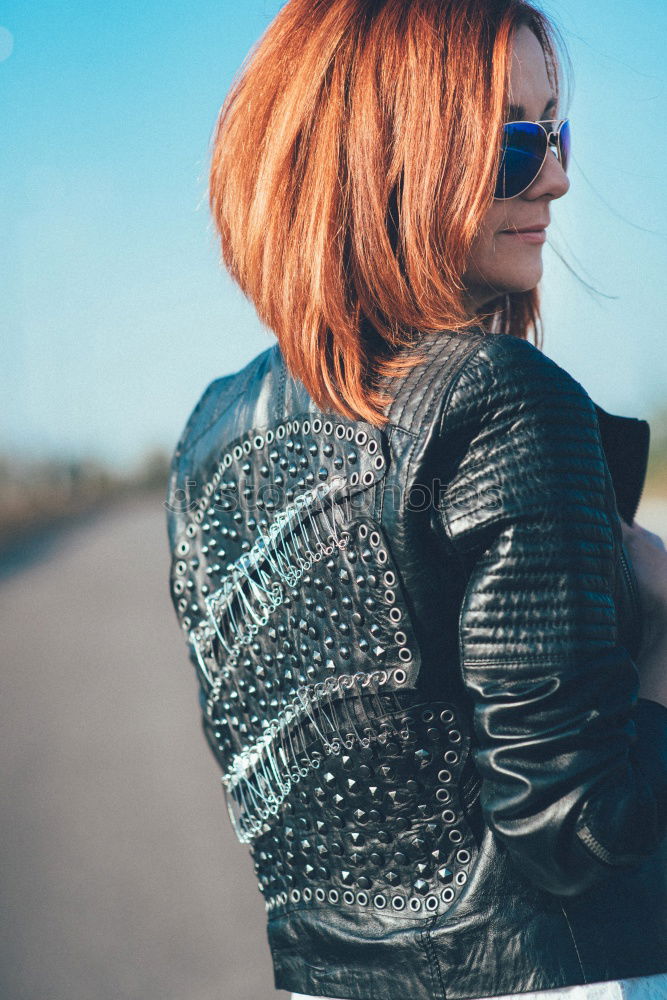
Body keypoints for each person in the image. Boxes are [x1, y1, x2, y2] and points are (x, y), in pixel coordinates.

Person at [164, 2, 667, 998]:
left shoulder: (210, 436)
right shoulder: (504, 397)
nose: (558, 176)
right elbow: (572, 830)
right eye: (513, 140)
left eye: (553, 128)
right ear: (391, 155)